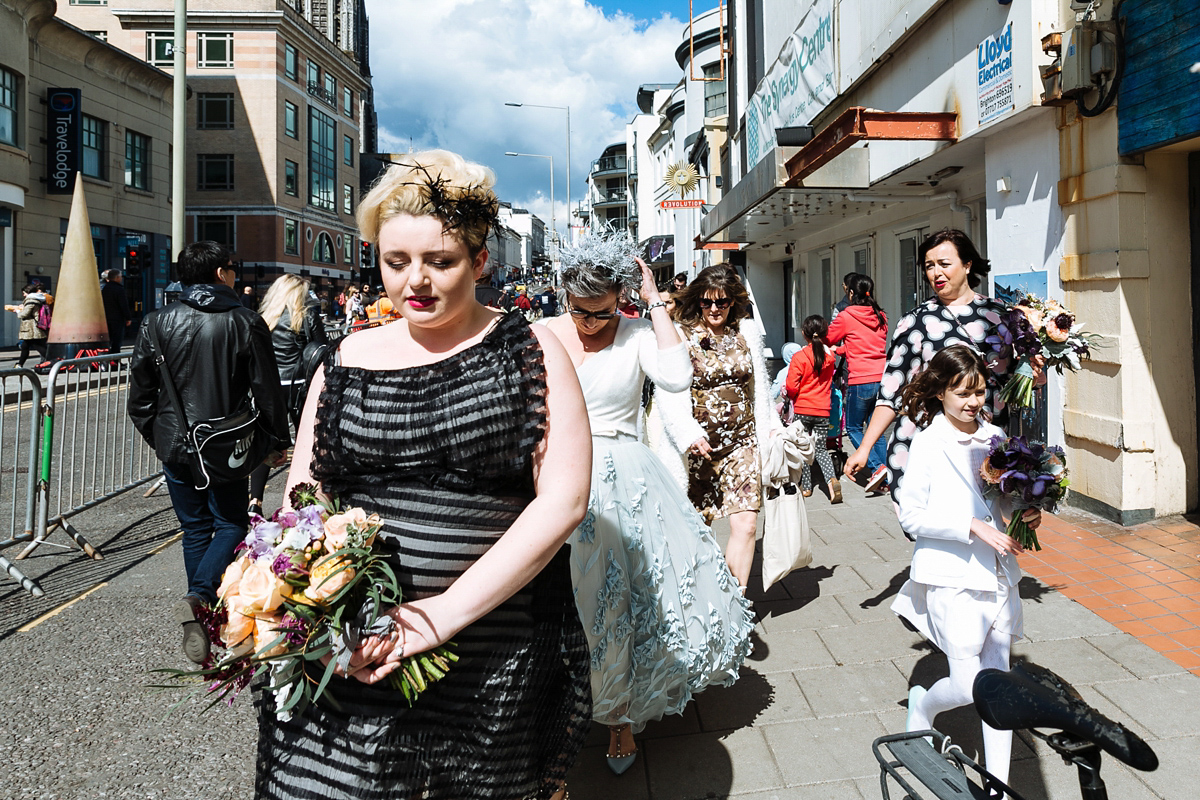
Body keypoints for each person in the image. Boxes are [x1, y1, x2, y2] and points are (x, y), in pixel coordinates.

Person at [265, 150, 591, 800]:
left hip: (493, 650)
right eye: (396, 262)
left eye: (439, 261)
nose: (416, 281)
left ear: (480, 259)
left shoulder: (530, 350)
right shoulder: (346, 358)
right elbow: (305, 496)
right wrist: (309, 607)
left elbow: (564, 501)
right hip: (364, 645)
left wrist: (441, 615)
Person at [543, 230, 751, 776]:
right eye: (581, 311)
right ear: (565, 296)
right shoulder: (540, 333)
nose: (591, 323)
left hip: (625, 477)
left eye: (604, 311)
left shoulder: (637, 333)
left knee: (620, 598)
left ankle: (618, 717)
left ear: (622, 298)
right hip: (556, 474)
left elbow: (678, 376)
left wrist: (656, 301)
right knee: (563, 602)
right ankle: (556, 703)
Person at [128, 241, 290, 664]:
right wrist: (273, 442)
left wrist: (162, 440)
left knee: (196, 529)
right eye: (233, 268)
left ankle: (203, 618)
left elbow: (140, 399)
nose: (235, 275)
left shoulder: (156, 322)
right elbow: (267, 392)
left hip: (176, 446)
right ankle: (201, 598)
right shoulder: (244, 321)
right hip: (225, 444)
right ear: (221, 273)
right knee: (232, 523)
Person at [892, 345, 1041, 788]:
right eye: (961, 392)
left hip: (997, 574)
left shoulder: (995, 437)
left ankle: (997, 786)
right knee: (966, 684)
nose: (973, 401)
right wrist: (971, 525)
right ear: (940, 392)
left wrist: (1025, 511)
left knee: (998, 686)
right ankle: (923, 704)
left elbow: (1004, 497)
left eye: (978, 391)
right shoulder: (927, 442)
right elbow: (911, 516)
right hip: (952, 577)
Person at [843, 229, 1011, 518]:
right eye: (929, 265)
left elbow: (1016, 380)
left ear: (967, 264)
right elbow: (891, 390)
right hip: (933, 441)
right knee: (943, 526)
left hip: (989, 440)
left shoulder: (998, 315)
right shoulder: (916, 322)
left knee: (990, 522)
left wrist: (1036, 371)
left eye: (944, 263)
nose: (936, 272)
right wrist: (864, 448)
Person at [654, 266, 782, 589]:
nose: (714, 309)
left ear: (732, 303)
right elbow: (667, 393)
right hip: (698, 451)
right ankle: (702, 596)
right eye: (707, 303)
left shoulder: (746, 333)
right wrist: (686, 434)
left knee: (747, 524)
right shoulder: (682, 336)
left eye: (722, 303)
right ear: (697, 302)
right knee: (696, 527)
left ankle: (734, 605)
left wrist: (773, 427)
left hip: (743, 444)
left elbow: (761, 390)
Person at [247, 274, 327, 516]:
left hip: (269, 387)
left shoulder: (262, 318)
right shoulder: (305, 316)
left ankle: (255, 501)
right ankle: (308, 497)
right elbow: (320, 349)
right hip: (299, 385)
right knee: (308, 441)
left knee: (266, 443)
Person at [827, 274, 889, 491]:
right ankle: (885, 479)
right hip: (882, 378)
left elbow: (829, 338)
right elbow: (868, 345)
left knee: (853, 427)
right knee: (875, 430)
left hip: (860, 380)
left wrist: (834, 346)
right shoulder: (881, 316)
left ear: (851, 293)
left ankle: (877, 466)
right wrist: (843, 349)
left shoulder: (847, 315)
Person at [785, 315, 842, 503]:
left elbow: (792, 386)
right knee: (821, 449)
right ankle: (831, 481)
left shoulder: (799, 357)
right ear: (825, 333)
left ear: (803, 334)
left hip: (802, 409)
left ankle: (806, 487)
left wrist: (793, 396)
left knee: (803, 447)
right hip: (823, 410)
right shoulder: (830, 357)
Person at [6, 284, 49, 367]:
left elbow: (25, 314)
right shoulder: (37, 299)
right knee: (25, 346)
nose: (23, 295)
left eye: (24, 293)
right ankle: (19, 364)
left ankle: (54, 360)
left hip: (31, 328)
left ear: (28, 292)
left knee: (38, 346)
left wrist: (17, 311)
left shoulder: (30, 300)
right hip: (33, 328)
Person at [100, 269, 133, 353]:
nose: (121, 278)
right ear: (117, 277)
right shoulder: (119, 289)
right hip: (117, 319)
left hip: (106, 318)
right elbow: (123, 305)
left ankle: (108, 360)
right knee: (116, 341)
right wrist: (128, 318)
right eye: (120, 276)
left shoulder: (104, 289)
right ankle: (115, 360)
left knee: (108, 340)